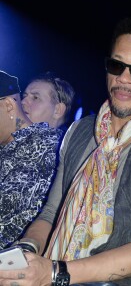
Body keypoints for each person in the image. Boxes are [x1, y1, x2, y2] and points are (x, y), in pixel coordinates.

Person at [1, 15, 131, 286]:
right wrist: (26, 250)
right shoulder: (80, 132)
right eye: (116, 65)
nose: (124, 78)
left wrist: (55, 273)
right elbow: (51, 213)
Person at [0, 70, 63, 250]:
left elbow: (7, 209)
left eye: (35, 98)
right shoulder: (7, 147)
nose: (28, 101)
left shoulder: (45, 144)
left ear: (9, 107)